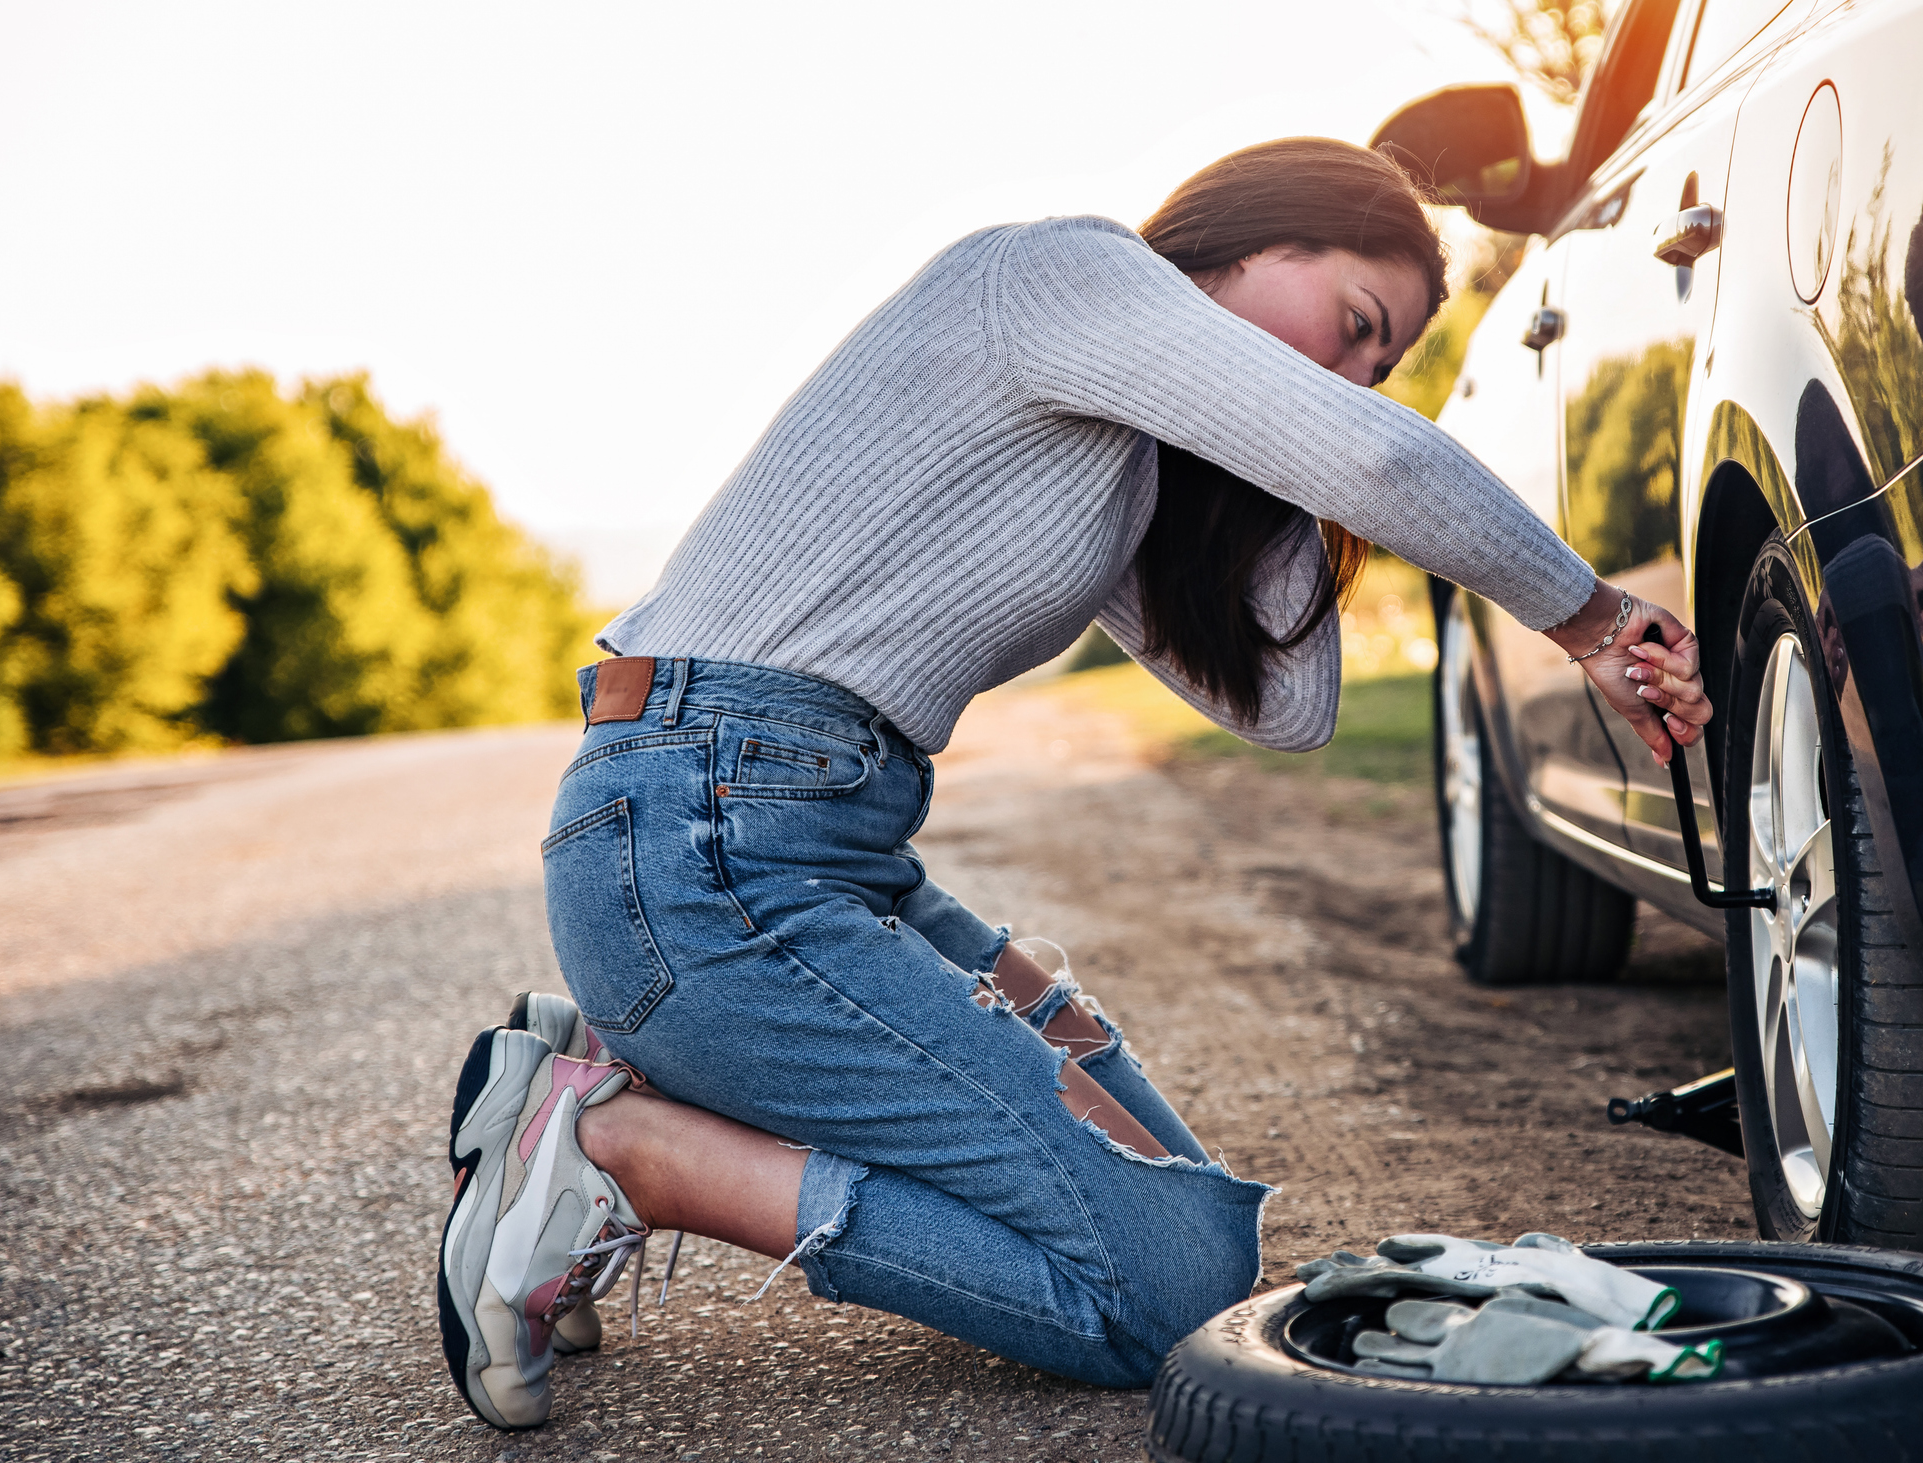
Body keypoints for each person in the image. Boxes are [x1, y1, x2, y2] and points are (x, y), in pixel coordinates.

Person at [435, 137, 1712, 1430]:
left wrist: (1281, 444)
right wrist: (1595, 619)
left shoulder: (1117, 460)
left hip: (810, 848)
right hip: (705, 840)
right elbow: (1378, 462)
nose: (1349, 377)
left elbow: (1289, 706)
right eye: (1352, 326)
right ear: (1252, 234)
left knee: (1185, 1223)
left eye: (1377, 370)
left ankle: (637, 1067)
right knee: (1157, 1294)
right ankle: (618, 1150)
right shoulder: (1056, 275)